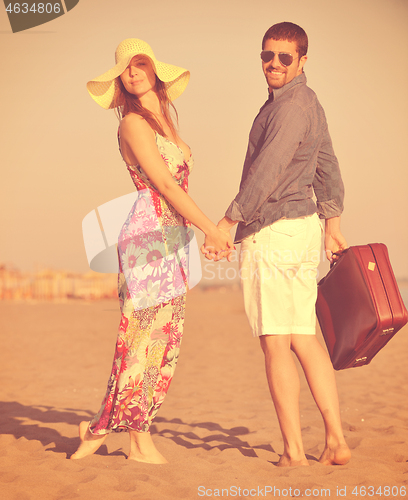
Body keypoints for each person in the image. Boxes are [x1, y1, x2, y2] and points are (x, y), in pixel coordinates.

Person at [71, 38, 233, 463]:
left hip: (172, 238)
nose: (133, 71)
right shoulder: (133, 124)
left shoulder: (166, 124)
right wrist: (210, 231)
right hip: (148, 236)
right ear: (121, 80)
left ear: (156, 70)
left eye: (140, 63)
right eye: (126, 67)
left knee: (164, 340)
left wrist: (199, 233)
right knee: (141, 336)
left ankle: (112, 429)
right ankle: (127, 435)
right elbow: (163, 184)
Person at [203, 22, 351, 467]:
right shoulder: (308, 103)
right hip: (302, 230)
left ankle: (293, 451)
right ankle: (337, 441)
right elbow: (328, 166)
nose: (274, 64)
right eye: (268, 55)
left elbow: (267, 170)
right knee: (304, 336)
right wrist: (332, 224)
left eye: (285, 57)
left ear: (303, 60)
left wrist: (228, 221)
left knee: (275, 342)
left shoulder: (290, 107)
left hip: (275, 232)